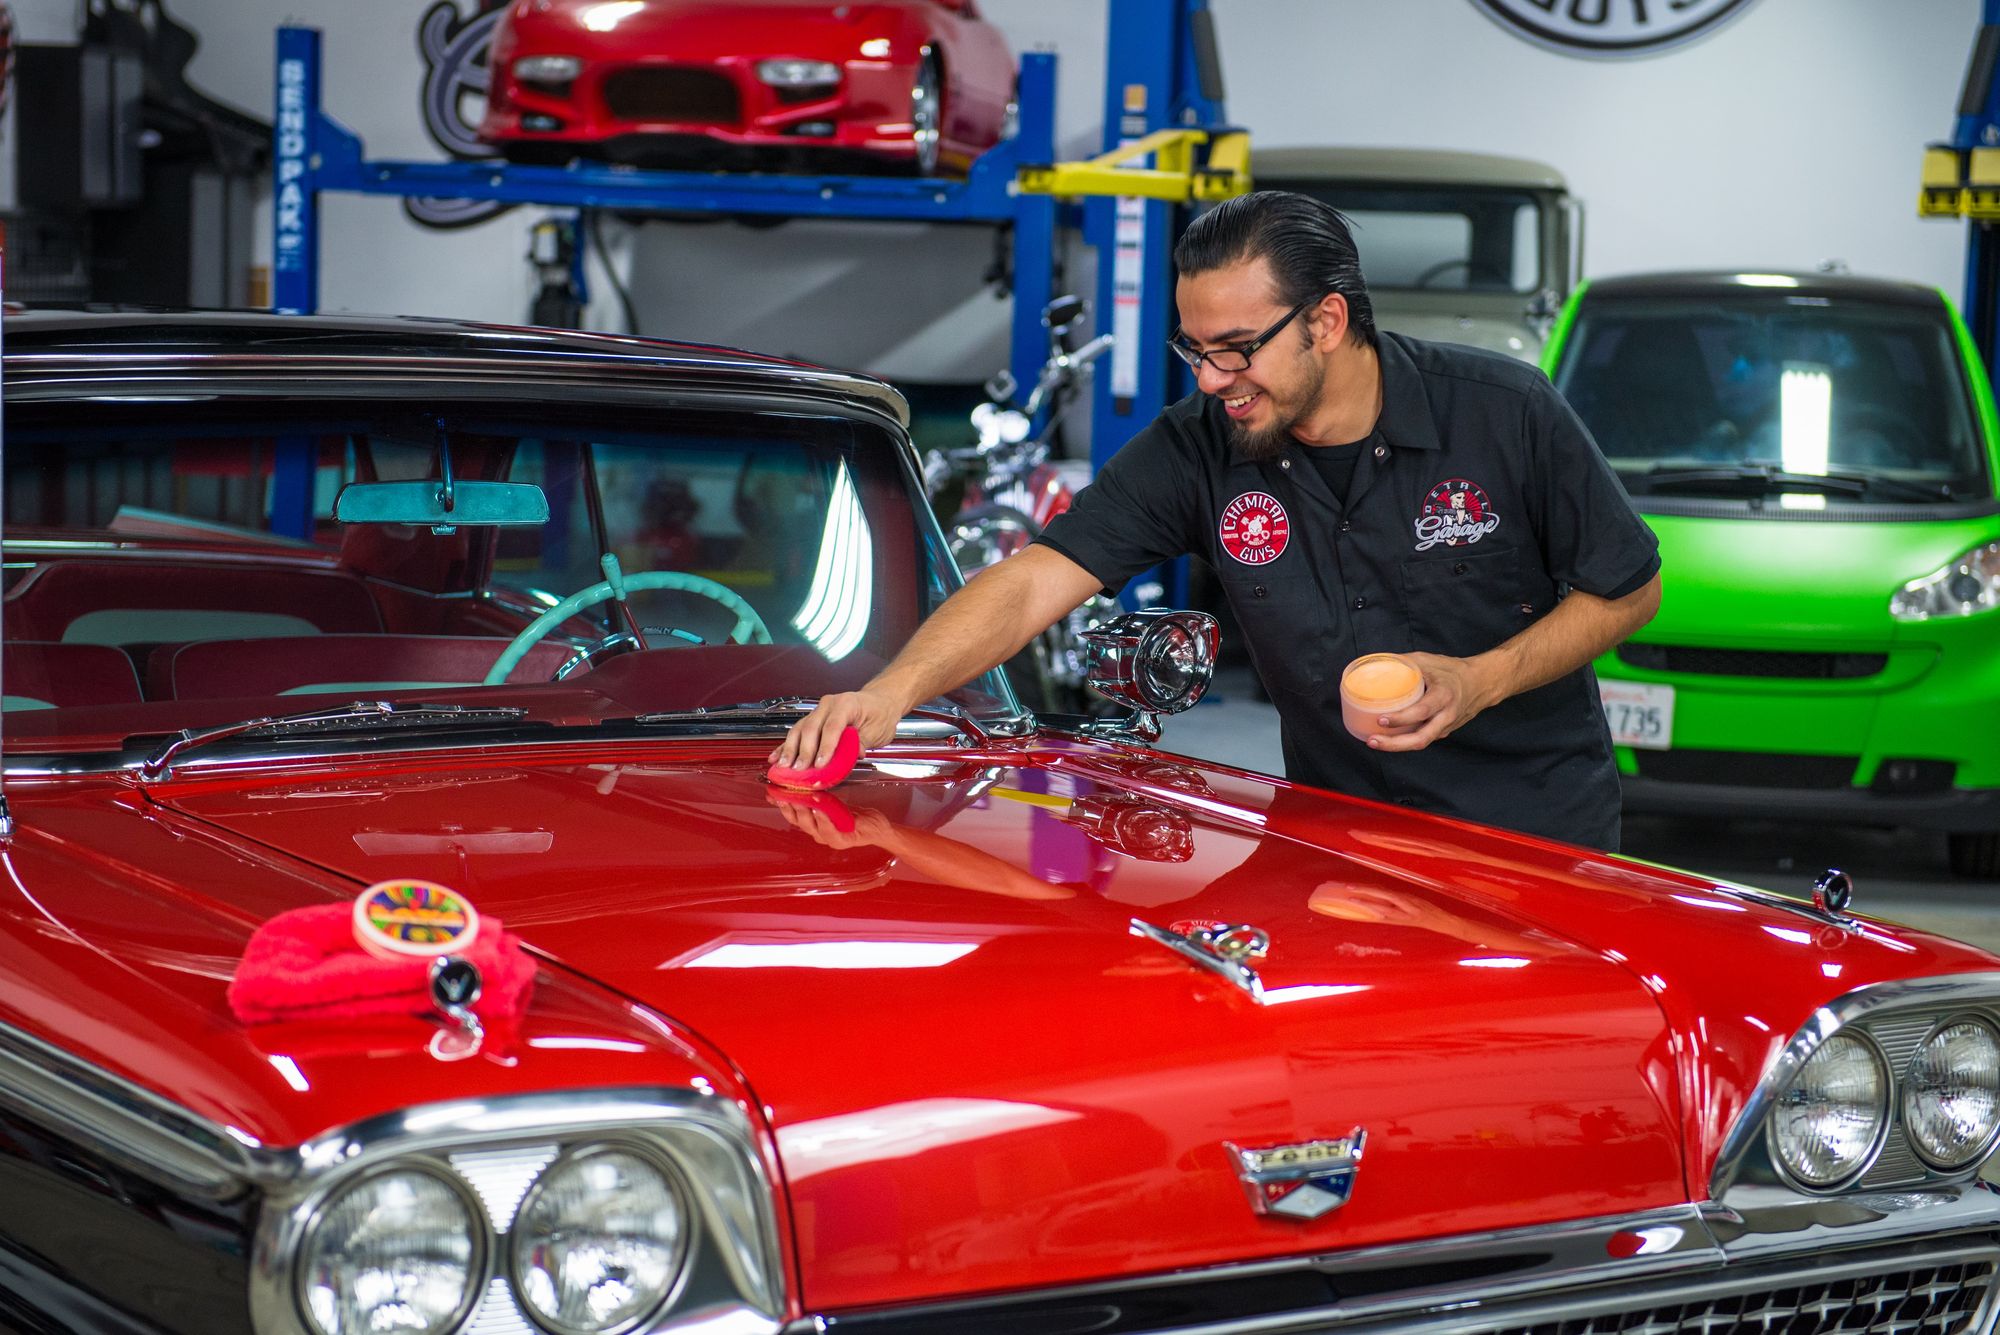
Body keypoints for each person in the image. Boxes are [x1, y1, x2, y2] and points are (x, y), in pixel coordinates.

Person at [773, 191, 1661, 851]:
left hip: (1534, 839)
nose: (1210, 378)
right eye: (1195, 349)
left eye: (1236, 349)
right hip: (1338, 839)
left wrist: (1481, 680)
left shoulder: (1504, 411)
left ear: (1326, 321)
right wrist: (892, 690)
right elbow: (1039, 577)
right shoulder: (1202, 445)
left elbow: (1628, 589)